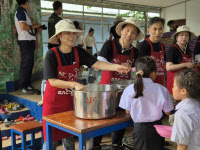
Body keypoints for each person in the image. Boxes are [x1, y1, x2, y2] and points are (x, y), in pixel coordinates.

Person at [42, 19, 130, 150]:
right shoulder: (51, 54)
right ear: (59, 36)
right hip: (53, 104)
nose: (72, 36)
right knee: (51, 141)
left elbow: (97, 63)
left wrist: (116, 67)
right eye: (67, 33)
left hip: (69, 102)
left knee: (69, 137)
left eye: (74, 33)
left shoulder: (78, 52)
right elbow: (52, 81)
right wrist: (74, 84)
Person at [89, 17, 144, 149]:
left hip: (123, 93)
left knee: (120, 124)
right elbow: (99, 64)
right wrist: (117, 66)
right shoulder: (110, 45)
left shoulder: (135, 51)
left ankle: (116, 146)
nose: (129, 35)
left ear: (136, 36)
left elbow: (135, 71)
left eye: (133, 32)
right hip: (105, 92)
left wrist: (138, 73)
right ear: (121, 31)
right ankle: (94, 147)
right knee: (100, 124)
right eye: (127, 30)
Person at [119, 56, 174, 150]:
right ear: (153, 73)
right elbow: (168, 112)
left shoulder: (129, 89)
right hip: (158, 129)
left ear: (136, 72)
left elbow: (127, 111)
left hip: (140, 130)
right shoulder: (162, 89)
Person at [15, 0, 42, 94]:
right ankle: (22, 87)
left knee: (29, 64)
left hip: (29, 40)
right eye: (29, 3)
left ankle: (27, 85)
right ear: (26, 2)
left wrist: (36, 30)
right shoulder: (20, 11)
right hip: (25, 42)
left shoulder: (23, 12)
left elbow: (26, 29)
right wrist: (34, 26)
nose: (29, 5)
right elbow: (23, 27)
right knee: (26, 64)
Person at [171, 69, 200, 150]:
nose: (172, 89)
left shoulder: (183, 113)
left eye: (174, 86)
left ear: (183, 91)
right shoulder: (196, 105)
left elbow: (182, 146)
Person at [166, 25, 196, 95]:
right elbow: (168, 67)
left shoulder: (188, 50)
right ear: (176, 37)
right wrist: (185, 64)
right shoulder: (173, 49)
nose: (184, 37)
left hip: (185, 85)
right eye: (181, 35)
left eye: (186, 36)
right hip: (175, 85)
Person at [138, 17, 166, 86]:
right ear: (149, 30)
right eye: (155, 29)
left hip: (160, 83)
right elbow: (139, 67)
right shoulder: (143, 45)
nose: (157, 33)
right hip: (147, 84)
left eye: (160, 29)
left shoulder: (162, 46)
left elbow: (163, 65)